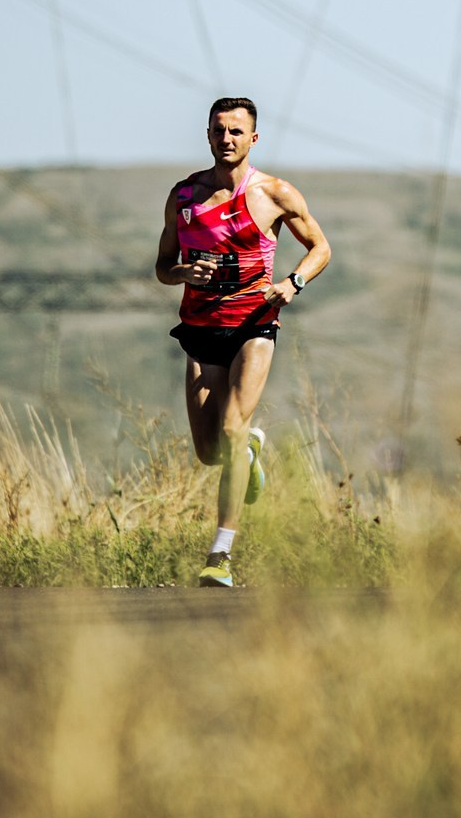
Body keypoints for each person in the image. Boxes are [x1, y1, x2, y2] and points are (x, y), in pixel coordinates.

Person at [154, 95, 332, 587]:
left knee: (232, 428)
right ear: (207, 136)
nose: (226, 139)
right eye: (218, 130)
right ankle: (249, 452)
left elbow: (321, 247)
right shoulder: (184, 197)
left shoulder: (274, 193)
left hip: (255, 324)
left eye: (236, 131)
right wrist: (184, 271)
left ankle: (220, 555)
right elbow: (162, 266)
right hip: (200, 329)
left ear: (254, 138)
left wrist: (293, 283)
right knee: (210, 451)